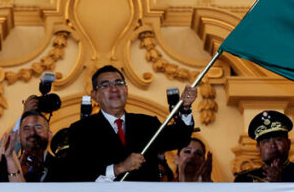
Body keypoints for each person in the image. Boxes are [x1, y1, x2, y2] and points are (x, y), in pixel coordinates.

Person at [66, 65, 197, 182]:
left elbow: (180, 138)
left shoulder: (147, 123)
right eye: (105, 85)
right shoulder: (80, 130)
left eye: (119, 83)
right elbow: (77, 173)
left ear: (126, 90)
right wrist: (119, 168)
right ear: (95, 95)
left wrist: (185, 108)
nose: (114, 89)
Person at [233, 110, 294, 182]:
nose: (273, 145)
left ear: (289, 143)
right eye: (266, 141)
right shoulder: (244, 180)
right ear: (258, 148)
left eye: (278, 139)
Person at [16, 109, 59, 182]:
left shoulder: (66, 167)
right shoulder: (8, 169)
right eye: (27, 128)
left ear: (49, 135)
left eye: (38, 127)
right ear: (19, 137)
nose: (32, 132)